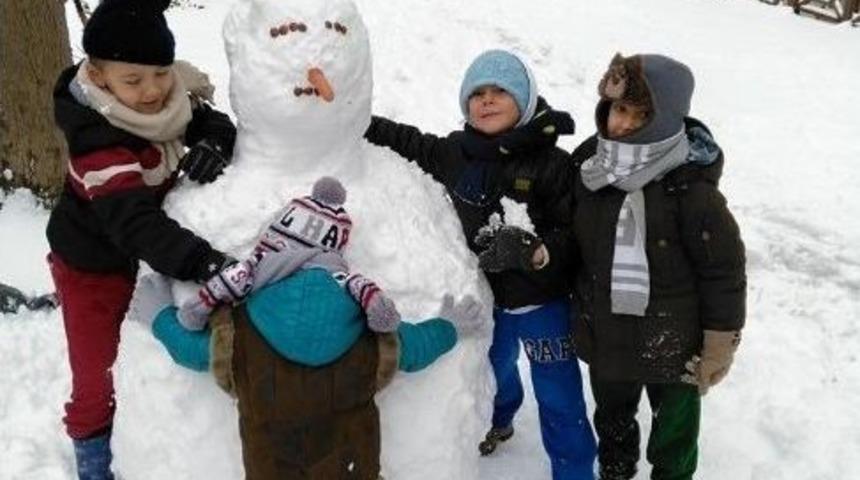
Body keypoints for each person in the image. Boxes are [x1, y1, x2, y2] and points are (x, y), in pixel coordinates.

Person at [130, 177, 483, 480]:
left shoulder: (240, 332)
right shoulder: (367, 330)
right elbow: (415, 349)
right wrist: (450, 326)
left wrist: (160, 315)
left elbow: (191, 351)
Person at [365, 49, 596, 479]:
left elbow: (572, 234)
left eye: (500, 92)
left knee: (559, 396)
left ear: (525, 101)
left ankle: (576, 470)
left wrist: (536, 252)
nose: (486, 100)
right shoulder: (456, 153)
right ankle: (498, 418)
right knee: (494, 369)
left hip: (544, 305)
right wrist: (355, 117)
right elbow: (407, 141)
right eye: (478, 93)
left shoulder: (552, 164)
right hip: (489, 301)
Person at [46, 0, 237, 477]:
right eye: (133, 80)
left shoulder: (167, 103)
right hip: (92, 267)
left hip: (147, 258)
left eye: (161, 74)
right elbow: (133, 222)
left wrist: (213, 144)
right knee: (97, 372)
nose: (152, 91)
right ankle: (92, 460)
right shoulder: (98, 141)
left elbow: (209, 120)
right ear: (99, 75)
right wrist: (202, 261)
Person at [569, 53, 747, 480]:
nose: (624, 123)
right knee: (612, 412)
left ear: (667, 119)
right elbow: (570, 241)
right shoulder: (590, 168)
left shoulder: (692, 191)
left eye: (641, 114)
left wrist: (719, 341)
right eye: (619, 109)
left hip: (674, 340)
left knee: (675, 429)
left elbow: (723, 271)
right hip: (607, 329)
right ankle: (616, 465)